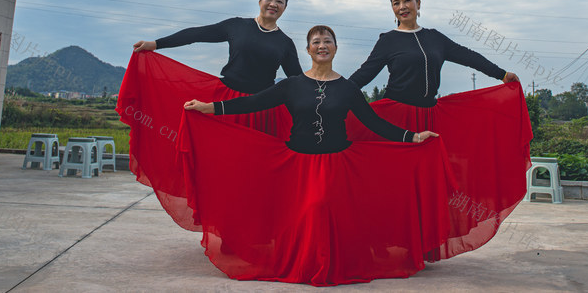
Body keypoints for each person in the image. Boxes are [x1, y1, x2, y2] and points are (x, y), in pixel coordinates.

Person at [178, 25, 455, 286]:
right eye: (316, 42)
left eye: (327, 42)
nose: (322, 46)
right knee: (303, 216)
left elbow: (375, 124)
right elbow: (252, 103)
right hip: (297, 165)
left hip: (337, 165)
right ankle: (302, 263)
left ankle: (332, 264)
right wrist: (210, 108)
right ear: (308, 50)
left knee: (321, 207)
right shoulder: (292, 84)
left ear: (335, 48)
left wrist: (413, 137)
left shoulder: (348, 88)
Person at [348, 0, 533, 261]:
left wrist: (501, 74)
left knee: (429, 186)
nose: (402, 7)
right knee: (399, 185)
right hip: (398, 120)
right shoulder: (388, 40)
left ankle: (422, 244)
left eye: (407, 0)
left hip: (431, 120)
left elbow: (468, 56)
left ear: (419, 4)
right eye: (396, 3)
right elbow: (365, 74)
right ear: (392, 9)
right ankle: (390, 242)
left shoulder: (436, 39)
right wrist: (336, 93)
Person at [119, 0, 303, 231]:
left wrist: (324, 100)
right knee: (223, 171)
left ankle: (252, 231)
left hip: (260, 111)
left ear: (285, 8)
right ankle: (224, 229)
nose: (273, 4)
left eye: (280, 1)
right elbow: (196, 34)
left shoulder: (284, 43)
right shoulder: (237, 26)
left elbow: (297, 83)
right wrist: (157, 44)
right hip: (223, 107)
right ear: (260, 0)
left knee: (253, 175)